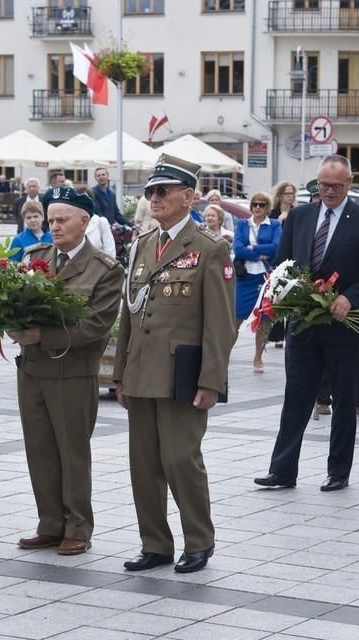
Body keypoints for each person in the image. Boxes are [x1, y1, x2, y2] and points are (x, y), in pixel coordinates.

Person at [114, 154, 234, 574]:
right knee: (143, 465)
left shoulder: (210, 248)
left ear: (189, 196)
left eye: (162, 190)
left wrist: (211, 382)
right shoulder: (144, 246)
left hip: (182, 375)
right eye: (150, 191)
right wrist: (120, 375)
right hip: (141, 372)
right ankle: (155, 544)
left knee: (181, 460)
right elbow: (130, 314)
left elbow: (221, 326)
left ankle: (199, 541)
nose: (154, 197)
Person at [254, 155, 359, 492]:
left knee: (343, 399)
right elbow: (283, 265)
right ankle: (282, 470)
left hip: (344, 324)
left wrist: (350, 298)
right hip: (303, 323)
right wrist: (282, 296)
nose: (327, 191)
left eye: (335, 186)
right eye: (323, 185)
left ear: (349, 184)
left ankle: (338, 471)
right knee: (296, 396)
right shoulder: (299, 216)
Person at [12, 187, 123, 556]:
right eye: (51, 220)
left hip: (73, 371)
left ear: (84, 221)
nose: (54, 227)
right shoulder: (34, 257)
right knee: (39, 449)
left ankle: (77, 525)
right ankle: (50, 523)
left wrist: (42, 334)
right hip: (32, 369)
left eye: (62, 220)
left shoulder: (104, 269)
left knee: (72, 452)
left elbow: (96, 325)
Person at [232, 193, 280, 373]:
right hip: (245, 277)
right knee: (236, 317)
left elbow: (277, 246)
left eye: (261, 205)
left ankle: (258, 356)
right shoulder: (243, 224)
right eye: (254, 204)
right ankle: (225, 353)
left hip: (265, 277)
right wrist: (259, 253)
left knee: (264, 319)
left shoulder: (274, 225)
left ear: (267, 207)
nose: (258, 208)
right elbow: (237, 248)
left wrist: (252, 248)